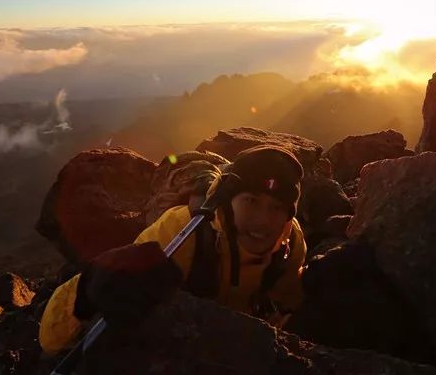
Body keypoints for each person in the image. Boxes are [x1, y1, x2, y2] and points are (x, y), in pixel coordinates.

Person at [39, 144, 307, 354]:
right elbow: (49, 341)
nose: (263, 220)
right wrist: (86, 292)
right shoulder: (181, 233)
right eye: (251, 201)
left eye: (276, 208)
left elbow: (287, 303)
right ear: (226, 200)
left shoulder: (290, 242)